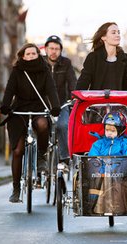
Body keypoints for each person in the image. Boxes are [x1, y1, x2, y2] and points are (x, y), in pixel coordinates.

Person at [0, 43, 61, 203]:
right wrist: (5, 105)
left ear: (38, 55)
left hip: (38, 108)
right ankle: (16, 189)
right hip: (19, 110)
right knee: (18, 150)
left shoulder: (44, 70)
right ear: (23, 56)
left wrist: (55, 106)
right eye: (28, 54)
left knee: (42, 125)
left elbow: (51, 89)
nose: (31, 56)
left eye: (34, 54)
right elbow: (9, 90)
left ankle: (41, 156)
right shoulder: (17, 71)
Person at [76, 22, 127, 92]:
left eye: (118, 32)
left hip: (121, 102)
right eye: (113, 33)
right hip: (96, 102)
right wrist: (76, 97)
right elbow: (84, 81)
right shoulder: (92, 58)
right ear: (103, 37)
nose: (118, 35)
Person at [44, 35, 77, 165]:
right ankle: (41, 156)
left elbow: (72, 82)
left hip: (62, 103)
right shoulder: (40, 63)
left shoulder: (66, 63)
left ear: (60, 50)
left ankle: (64, 157)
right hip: (43, 104)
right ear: (46, 49)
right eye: (51, 48)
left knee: (63, 125)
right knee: (41, 127)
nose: (54, 51)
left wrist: (74, 98)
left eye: (57, 49)